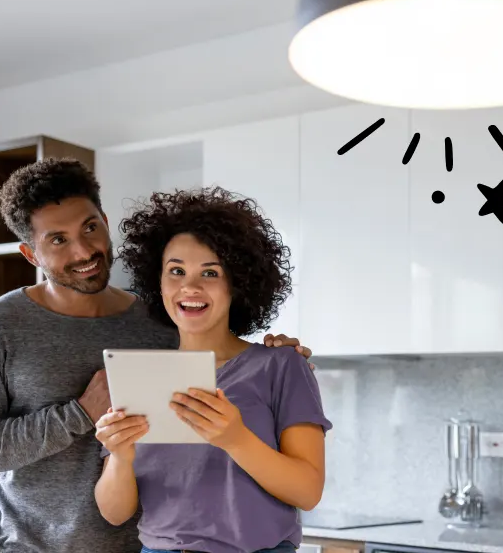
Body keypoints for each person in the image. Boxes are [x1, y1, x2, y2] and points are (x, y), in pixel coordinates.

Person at [0, 158, 316, 553]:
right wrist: (79, 413)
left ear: (103, 219)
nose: (84, 251)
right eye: (58, 240)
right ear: (31, 254)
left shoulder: (161, 321)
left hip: (143, 545)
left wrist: (282, 356)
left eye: (90, 227)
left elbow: (228, 360)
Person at [93, 186, 332, 553]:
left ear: (237, 283)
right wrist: (121, 457)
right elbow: (114, 513)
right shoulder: (139, 375)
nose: (189, 286)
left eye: (210, 272)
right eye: (176, 270)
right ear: (158, 281)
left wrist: (235, 438)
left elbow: (308, 491)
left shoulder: (281, 365)